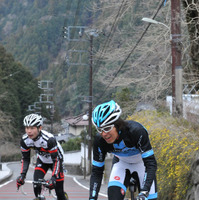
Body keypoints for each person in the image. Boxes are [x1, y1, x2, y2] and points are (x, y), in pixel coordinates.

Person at [89, 100, 157, 200]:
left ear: (117, 124)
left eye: (107, 128)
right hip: (121, 164)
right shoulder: (99, 140)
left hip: (142, 165)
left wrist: (144, 191)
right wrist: (92, 197)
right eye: (100, 129)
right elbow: (96, 172)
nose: (104, 134)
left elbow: (151, 163)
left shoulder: (136, 132)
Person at [16, 113, 68, 200]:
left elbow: (56, 160)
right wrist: (22, 175)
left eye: (32, 128)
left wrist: (53, 178)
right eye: (27, 128)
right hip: (42, 160)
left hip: (56, 161)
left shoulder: (49, 139)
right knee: (36, 185)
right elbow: (25, 159)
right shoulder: (25, 141)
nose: (29, 131)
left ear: (40, 128)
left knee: (59, 192)